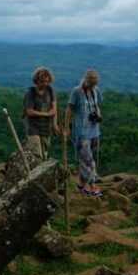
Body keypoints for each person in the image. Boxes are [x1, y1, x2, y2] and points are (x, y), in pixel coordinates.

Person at [64, 68, 103, 197]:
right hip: (81, 131)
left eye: (95, 83)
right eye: (91, 83)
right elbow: (69, 109)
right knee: (87, 160)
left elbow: (97, 105)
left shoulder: (95, 91)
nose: (93, 86)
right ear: (86, 81)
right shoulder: (76, 92)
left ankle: (81, 184)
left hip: (94, 130)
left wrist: (98, 114)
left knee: (93, 159)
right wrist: (67, 127)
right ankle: (93, 187)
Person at [23, 66, 60, 161]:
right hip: (33, 127)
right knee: (36, 154)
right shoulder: (30, 93)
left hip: (46, 127)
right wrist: (47, 114)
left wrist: (55, 124)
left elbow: (54, 108)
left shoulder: (50, 90)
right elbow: (29, 112)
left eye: (47, 81)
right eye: (42, 81)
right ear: (37, 80)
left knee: (45, 155)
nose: (45, 83)